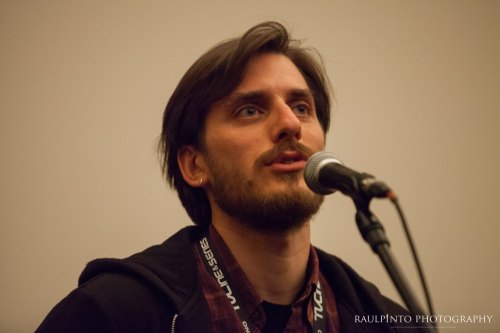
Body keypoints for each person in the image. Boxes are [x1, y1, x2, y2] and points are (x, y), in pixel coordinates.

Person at [36, 22, 422, 333]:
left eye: (301, 107)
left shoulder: (391, 322)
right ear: (194, 166)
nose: (290, 124)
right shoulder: (111, 313)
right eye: (250, 110)